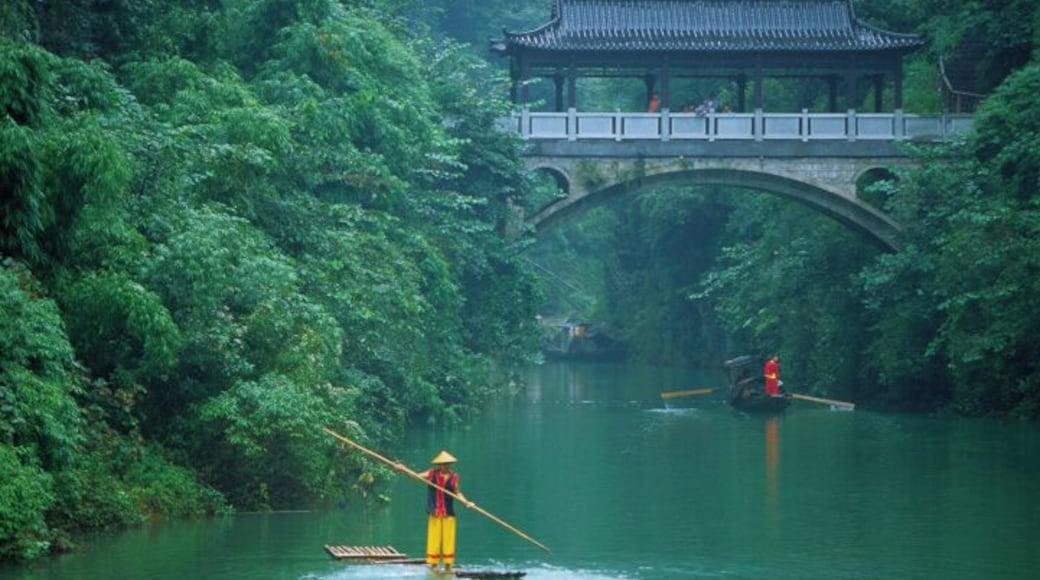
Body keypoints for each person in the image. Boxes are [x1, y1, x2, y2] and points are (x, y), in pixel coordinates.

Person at [422, 450, 474, 572]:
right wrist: (402, 469)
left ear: (450, 464)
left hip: (448, 514)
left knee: (448, 540)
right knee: (433, 540)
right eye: (442, 464)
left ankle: (448, 566)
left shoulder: (454, 477)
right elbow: (415, 476)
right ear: (438, 465)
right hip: (434, 513)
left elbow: (457, 492)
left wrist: (466, 502)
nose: (444, 466)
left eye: (447, 464)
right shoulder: (431, 474)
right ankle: (433, 566)